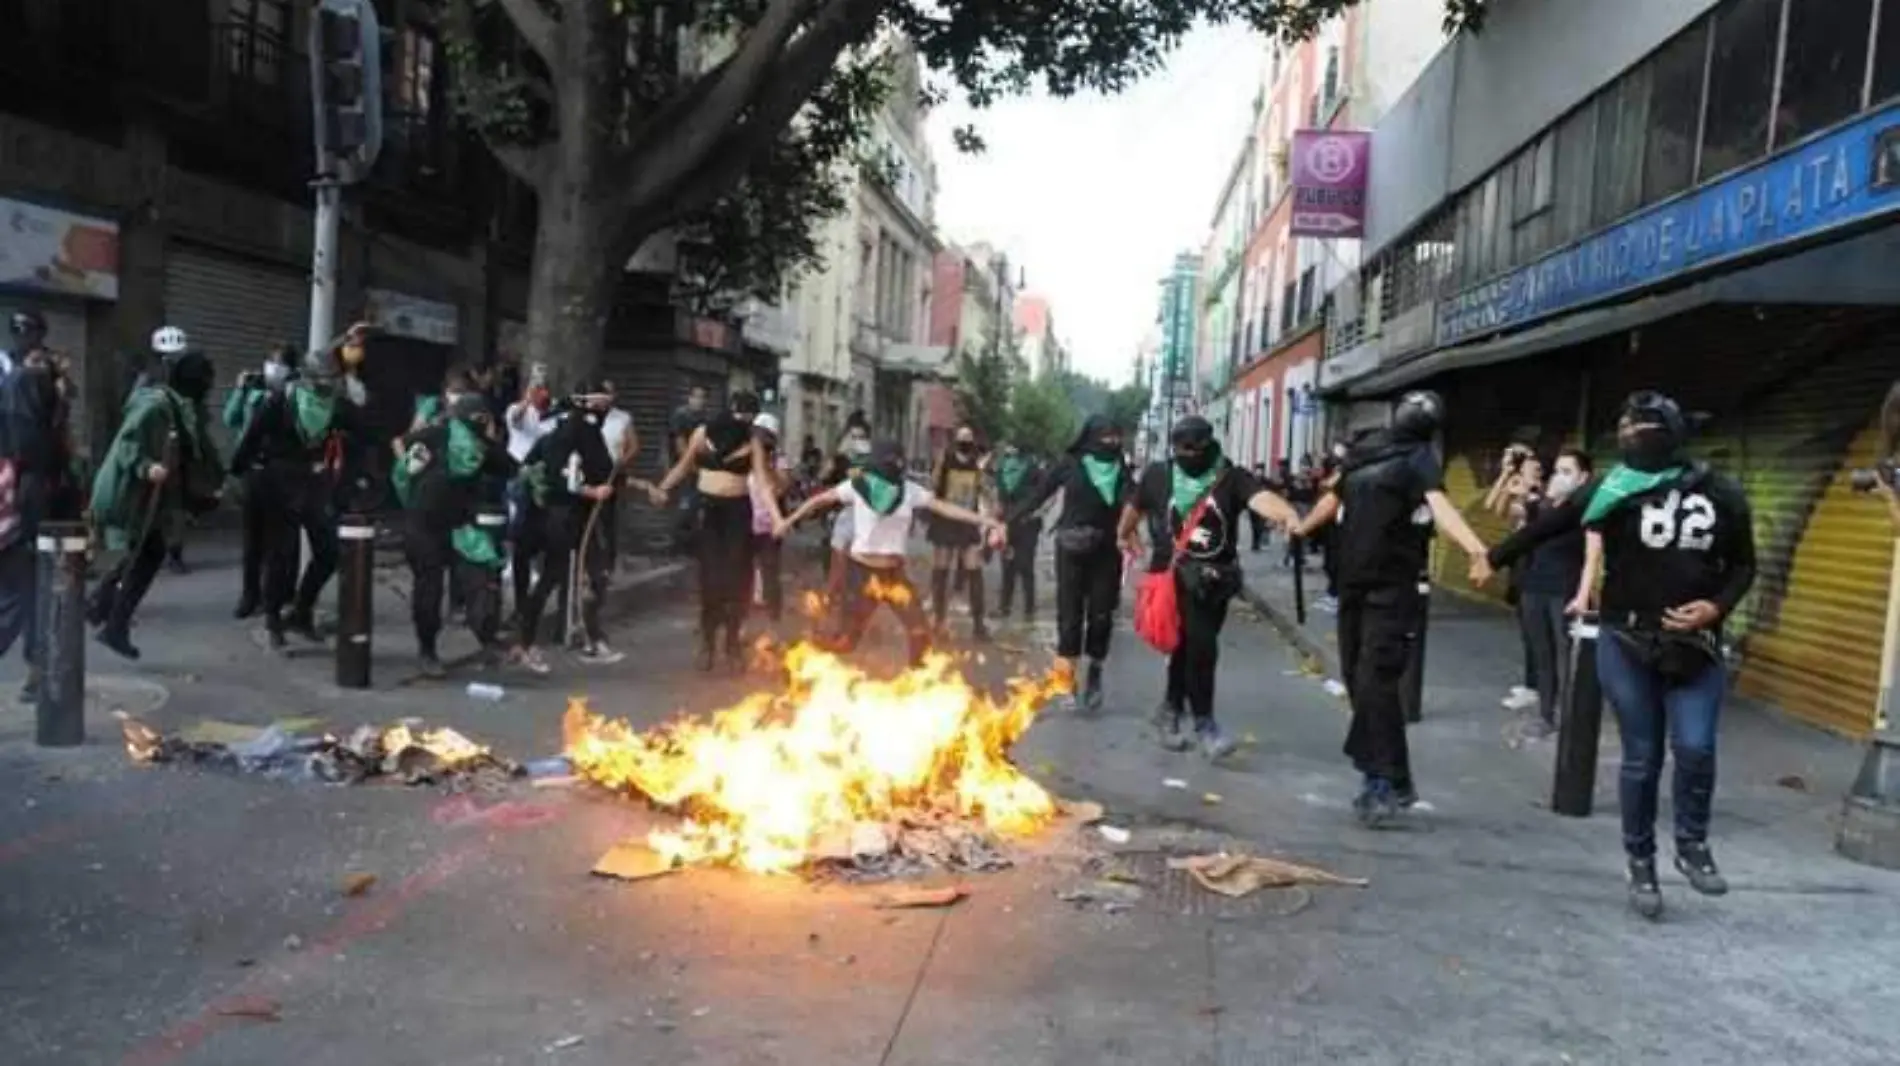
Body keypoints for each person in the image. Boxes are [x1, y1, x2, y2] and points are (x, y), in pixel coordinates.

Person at [1567, 392, 1755, 919]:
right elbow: (1561, 525)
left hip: (1696, 646)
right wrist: (1492, 554)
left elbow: (1744, 565)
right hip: (1627, 642)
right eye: (1628, 429)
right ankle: (1640, 858)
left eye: (1644, 429)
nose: (1634, 437)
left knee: (1696, 747)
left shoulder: (1723, 493)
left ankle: (1692, 842)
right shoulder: (1618, 490)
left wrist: (1714, 608)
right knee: (1642, 757)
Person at [1291, 391, 1493, 825]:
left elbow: (1441, 508)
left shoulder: (1419, 459)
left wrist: (1479, 550)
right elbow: (1334, 497)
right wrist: (1300, 525)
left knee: (1376, 683)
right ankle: (1398, 778)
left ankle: (1378, 781)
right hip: (1354, 587)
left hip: (1392, 590)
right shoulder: (1369, 451)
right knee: (1357, 682)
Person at [1119, 417, 1302, 757]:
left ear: (1208, 446)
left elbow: (1261, 498)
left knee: (1190, 646)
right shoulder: (1160, 474)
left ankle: (1170, 710)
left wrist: (1288, 514)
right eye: (1181, 449)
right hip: (1172, 576)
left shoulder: (1230, 476)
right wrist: (1124, 534)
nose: (1188, 455)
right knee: (1198, 645)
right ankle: (1204, 723)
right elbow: (1135, 507)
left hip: (1213, 580)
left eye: (1194, 449)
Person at [776, 439, 1003, 666]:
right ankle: (798, 661)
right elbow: (819, 500)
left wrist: (985, 520)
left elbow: (945, 508)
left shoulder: (910, 491)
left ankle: (918, 678)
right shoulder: (858, 484)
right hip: (861, 575)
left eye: (895, 461)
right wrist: (789, 520)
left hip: (894, 575)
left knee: (919, 631)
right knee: (845, 641)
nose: (891, 465)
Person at [88, 331, 224, 660]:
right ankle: (109, 620)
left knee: (143, 554)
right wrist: (146, 467)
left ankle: (102, 610)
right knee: (145, 555)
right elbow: (127, 445)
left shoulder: (181, 405)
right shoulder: (156, 405)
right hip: (136, 495)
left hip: (154, 497)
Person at [229, 345, 363, 650]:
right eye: (324, 378)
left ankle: (302, 611)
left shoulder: (337, 406)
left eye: (334, 378)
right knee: (282, 557)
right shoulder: (281, 400)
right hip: (277, 484)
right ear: (309, 377)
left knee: (329, 551)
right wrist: (238, 469)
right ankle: (274, 619)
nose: (329, 384)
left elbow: (363, 432)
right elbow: (251, 436)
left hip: (314, 484)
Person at [1006, 416, 1132, 711]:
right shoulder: (1069, 464)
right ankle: (1066, 681)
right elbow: (1038, 496)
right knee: (1070, 617)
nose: (1111, 443)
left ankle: (1095, 673)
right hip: (1070, 549)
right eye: (1106, 436)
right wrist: (1007, 523)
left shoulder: (1120, 468)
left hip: (1107, 551)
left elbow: (1134, 502)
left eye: (1116, 437)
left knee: (1101, 616)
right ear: (1090, 436)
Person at [651, 390, 781, 672]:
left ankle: (732, 643)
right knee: (710, 578)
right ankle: (708, 643)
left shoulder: (752, 441)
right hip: (709, 512)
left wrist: (777, 518)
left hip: (737, 513)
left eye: (747, 416)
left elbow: (762, 482)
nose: (741, 420)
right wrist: (663, 488)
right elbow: (684, 467)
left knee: (737, 578)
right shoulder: (701, 434)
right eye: (738, 414)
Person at [392, 391, 517, 676]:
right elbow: (402, 445)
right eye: (480, 419)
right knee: (429, 589)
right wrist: (410, 473)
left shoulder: (482, 447)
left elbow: (511, 467)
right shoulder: (437, 434)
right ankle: (427, 650)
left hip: (457, 525)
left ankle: (487, 638)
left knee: (480, 577)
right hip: (422, 524)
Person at [1486, 447, 1593, 738]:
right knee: (1542, 654)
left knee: (1567, 656)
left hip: (1565, 590)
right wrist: (1511, 480)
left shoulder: (1586, 510)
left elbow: (1595, 555)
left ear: (1584, 477)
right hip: (1534, 587)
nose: (1559, 478)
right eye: (1557, 471)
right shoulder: (1540, 506)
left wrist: (1585, 592)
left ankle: (1574, 716)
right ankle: (1547, 714)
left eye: (1567, 472)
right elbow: (1502, 510)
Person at [514, 383, 620, 671]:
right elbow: (552, 476)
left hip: (579, 517)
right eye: (599, 404)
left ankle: (592, 638)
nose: (603, 410)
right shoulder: (570, 434)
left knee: (596, 576)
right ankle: (525, 643)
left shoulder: (583, 433)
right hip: (561, 518)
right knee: (552, 577)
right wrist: (591, 492)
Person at [0, 351, 77, 700]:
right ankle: (38, 671)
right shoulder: (31, 440)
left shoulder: (17, 418)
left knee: (33, 602)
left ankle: (38, 672)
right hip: (22, 529)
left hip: (22, 527)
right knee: (21, 602)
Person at [226, 344, 299, 619]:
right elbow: (230, 418)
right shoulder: (253, 392)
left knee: (278, 543)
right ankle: (249, 595)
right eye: (271, 362)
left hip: (281, 475)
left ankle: (277, 597)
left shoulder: (294, 395)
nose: (274, 368)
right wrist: (239, 390)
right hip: (252, 471)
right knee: (252, 541)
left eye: (280, 364)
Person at [1486, 442, 1543, 712]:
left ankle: (1537, 687)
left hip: (1536, 564)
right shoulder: (1518, 488)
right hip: (1520, 563)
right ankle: (1532, 683)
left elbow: (1522, 513)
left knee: (1535, 629)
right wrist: (1505, 475)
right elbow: (1493, 508)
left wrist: (1523, 489)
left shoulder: (1542, 495)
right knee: (1525, 625)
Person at [927, 425, 995, 641]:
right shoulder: (945, 461)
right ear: (956, 440)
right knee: (941, 570)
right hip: (945, 521)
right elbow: (933, 485)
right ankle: (939, 621)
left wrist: (991, 516)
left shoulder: (977, 464)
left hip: (967, 522)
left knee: (974, 570)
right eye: (962, 438)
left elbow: (986, 491)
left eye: (969, 438)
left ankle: (979, 625)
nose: (965, 442)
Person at [993, 441, 1045, 623]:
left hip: (1025, 523)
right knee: (1011, 565)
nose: (1009, 452)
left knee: (1022, 565)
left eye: (1011, 448)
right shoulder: (1002, 470)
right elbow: (999, 496)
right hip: (1011, 523)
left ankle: (1025, 608)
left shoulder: (1032, 469)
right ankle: (1009, 607)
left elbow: (1044, 495)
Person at [748, 413, 791, 624]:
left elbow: (782, 487)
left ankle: (774, 620)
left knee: (770, 573)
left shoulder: (778, 459)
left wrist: (766, 465)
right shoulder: (745, 453)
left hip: (769, 526)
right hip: (745, 523)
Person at [1, 310, 47, 378]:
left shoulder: (49, 360)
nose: (20, 331)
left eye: (26, 327)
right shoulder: (3, 359)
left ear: (40, 332)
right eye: (15, 328)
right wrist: (24, 372)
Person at [1247, 462, 1271, 551]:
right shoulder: (1251, 480)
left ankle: (1257, 543)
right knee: (1254, 525)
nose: (1259, 472)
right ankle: (1254, 543)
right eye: (1258, 470)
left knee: (1260, 525)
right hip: (1253, 505)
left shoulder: (1267, 481)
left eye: (1261, 470)